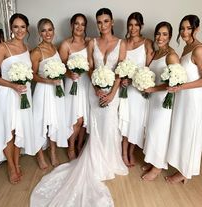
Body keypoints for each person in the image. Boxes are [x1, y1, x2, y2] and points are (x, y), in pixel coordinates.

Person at [30, 8, 128, 206]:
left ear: (111, 23)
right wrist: (95, 86)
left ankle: (108, 158)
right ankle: (77, 150)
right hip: (88, 88)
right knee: (82, 119)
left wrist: (111, 93)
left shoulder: (113, 43)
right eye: (99, 22)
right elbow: (84, 67)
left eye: (105, 21)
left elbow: (120, 70)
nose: (101, 25)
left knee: (106, 124)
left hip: (109, 92)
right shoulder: (89, 42)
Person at [0, 13, 36, 184]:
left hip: (23, 95)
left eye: (22, 27)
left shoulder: (27, 48)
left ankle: (17, 163)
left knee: (20, 129)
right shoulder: (2, 47)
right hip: (7, 95)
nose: (19, 30)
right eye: (16, 26)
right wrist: (12, 85)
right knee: (9, 131)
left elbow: (30, 74)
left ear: (27, 29)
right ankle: (11, 167)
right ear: (11, 29)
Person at [166, 15, 202, 184]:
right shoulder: (186, 49)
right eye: (182, 28)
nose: (184, 32)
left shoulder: (198, 49)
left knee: (189, 133)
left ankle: (185, 172)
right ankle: (182, 168)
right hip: (182, 97)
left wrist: (181, 87)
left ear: (197, 29)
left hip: (192, 99)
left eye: (189, 28)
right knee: (182, 132)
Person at [141, 22, 180, 181]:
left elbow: (175, 83)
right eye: (158, 33)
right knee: (152, 131)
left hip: (164, 100)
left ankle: (158, 167)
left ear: (170, 36)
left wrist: (153, 89)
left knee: (160, 132)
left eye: (164, 34)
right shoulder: (157, 54)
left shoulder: (171, 55)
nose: (160, 37)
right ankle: (153, 161)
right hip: (153, 99)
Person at [30, 18, 68, 170]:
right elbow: (32, 75)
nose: (47, 33)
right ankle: (39, 156)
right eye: (44, 30)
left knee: (55, 121)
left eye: (50, 30)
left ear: (53, 31)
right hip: (43, 91)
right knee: (39, 122)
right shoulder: (36, 52)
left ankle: (53, 153)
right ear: (39, 33)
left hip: (56, 91)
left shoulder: (55, 48)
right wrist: (48, 82)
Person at [119, 12, 154, 167]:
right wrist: (122, 80)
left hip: (138, 91)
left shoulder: (147, 43)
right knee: (125, 120)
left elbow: (149, 69)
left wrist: (138, 81)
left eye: (136, 25)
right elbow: (118, 66)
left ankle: (131, 151)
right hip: (125, 91)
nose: (133, 28)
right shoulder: (122, 43)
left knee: (137, 123)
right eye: (130, 25)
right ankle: (123, 151)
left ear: (141, 26)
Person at [59, 13, 90, 160]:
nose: (79, 27)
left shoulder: (89, 43)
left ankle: (79, 146)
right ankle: (71, 147)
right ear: (71, 25)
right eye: (76, 23)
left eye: (82, 24)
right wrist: (69, 74)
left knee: (84, 119)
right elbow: (61, 68)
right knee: (76, 118)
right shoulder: (65, 44)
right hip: (73, 84)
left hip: (86, 84)